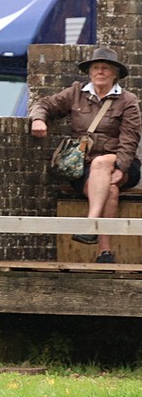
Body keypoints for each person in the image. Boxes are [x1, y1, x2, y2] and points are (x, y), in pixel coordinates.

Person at [30, 46, 142, 264]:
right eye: (96, 68)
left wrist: (121, 167)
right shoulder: (75, 93)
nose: (100, 72)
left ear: (115, 73)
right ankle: (105, 253)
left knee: (102, 162)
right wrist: (38, 119)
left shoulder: (128, 101)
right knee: (109, 190)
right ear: (89, 72)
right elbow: (44, 104)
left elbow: (130, 138)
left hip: (123, 165)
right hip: (84, 167)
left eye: (105, 68)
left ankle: (89, 224)